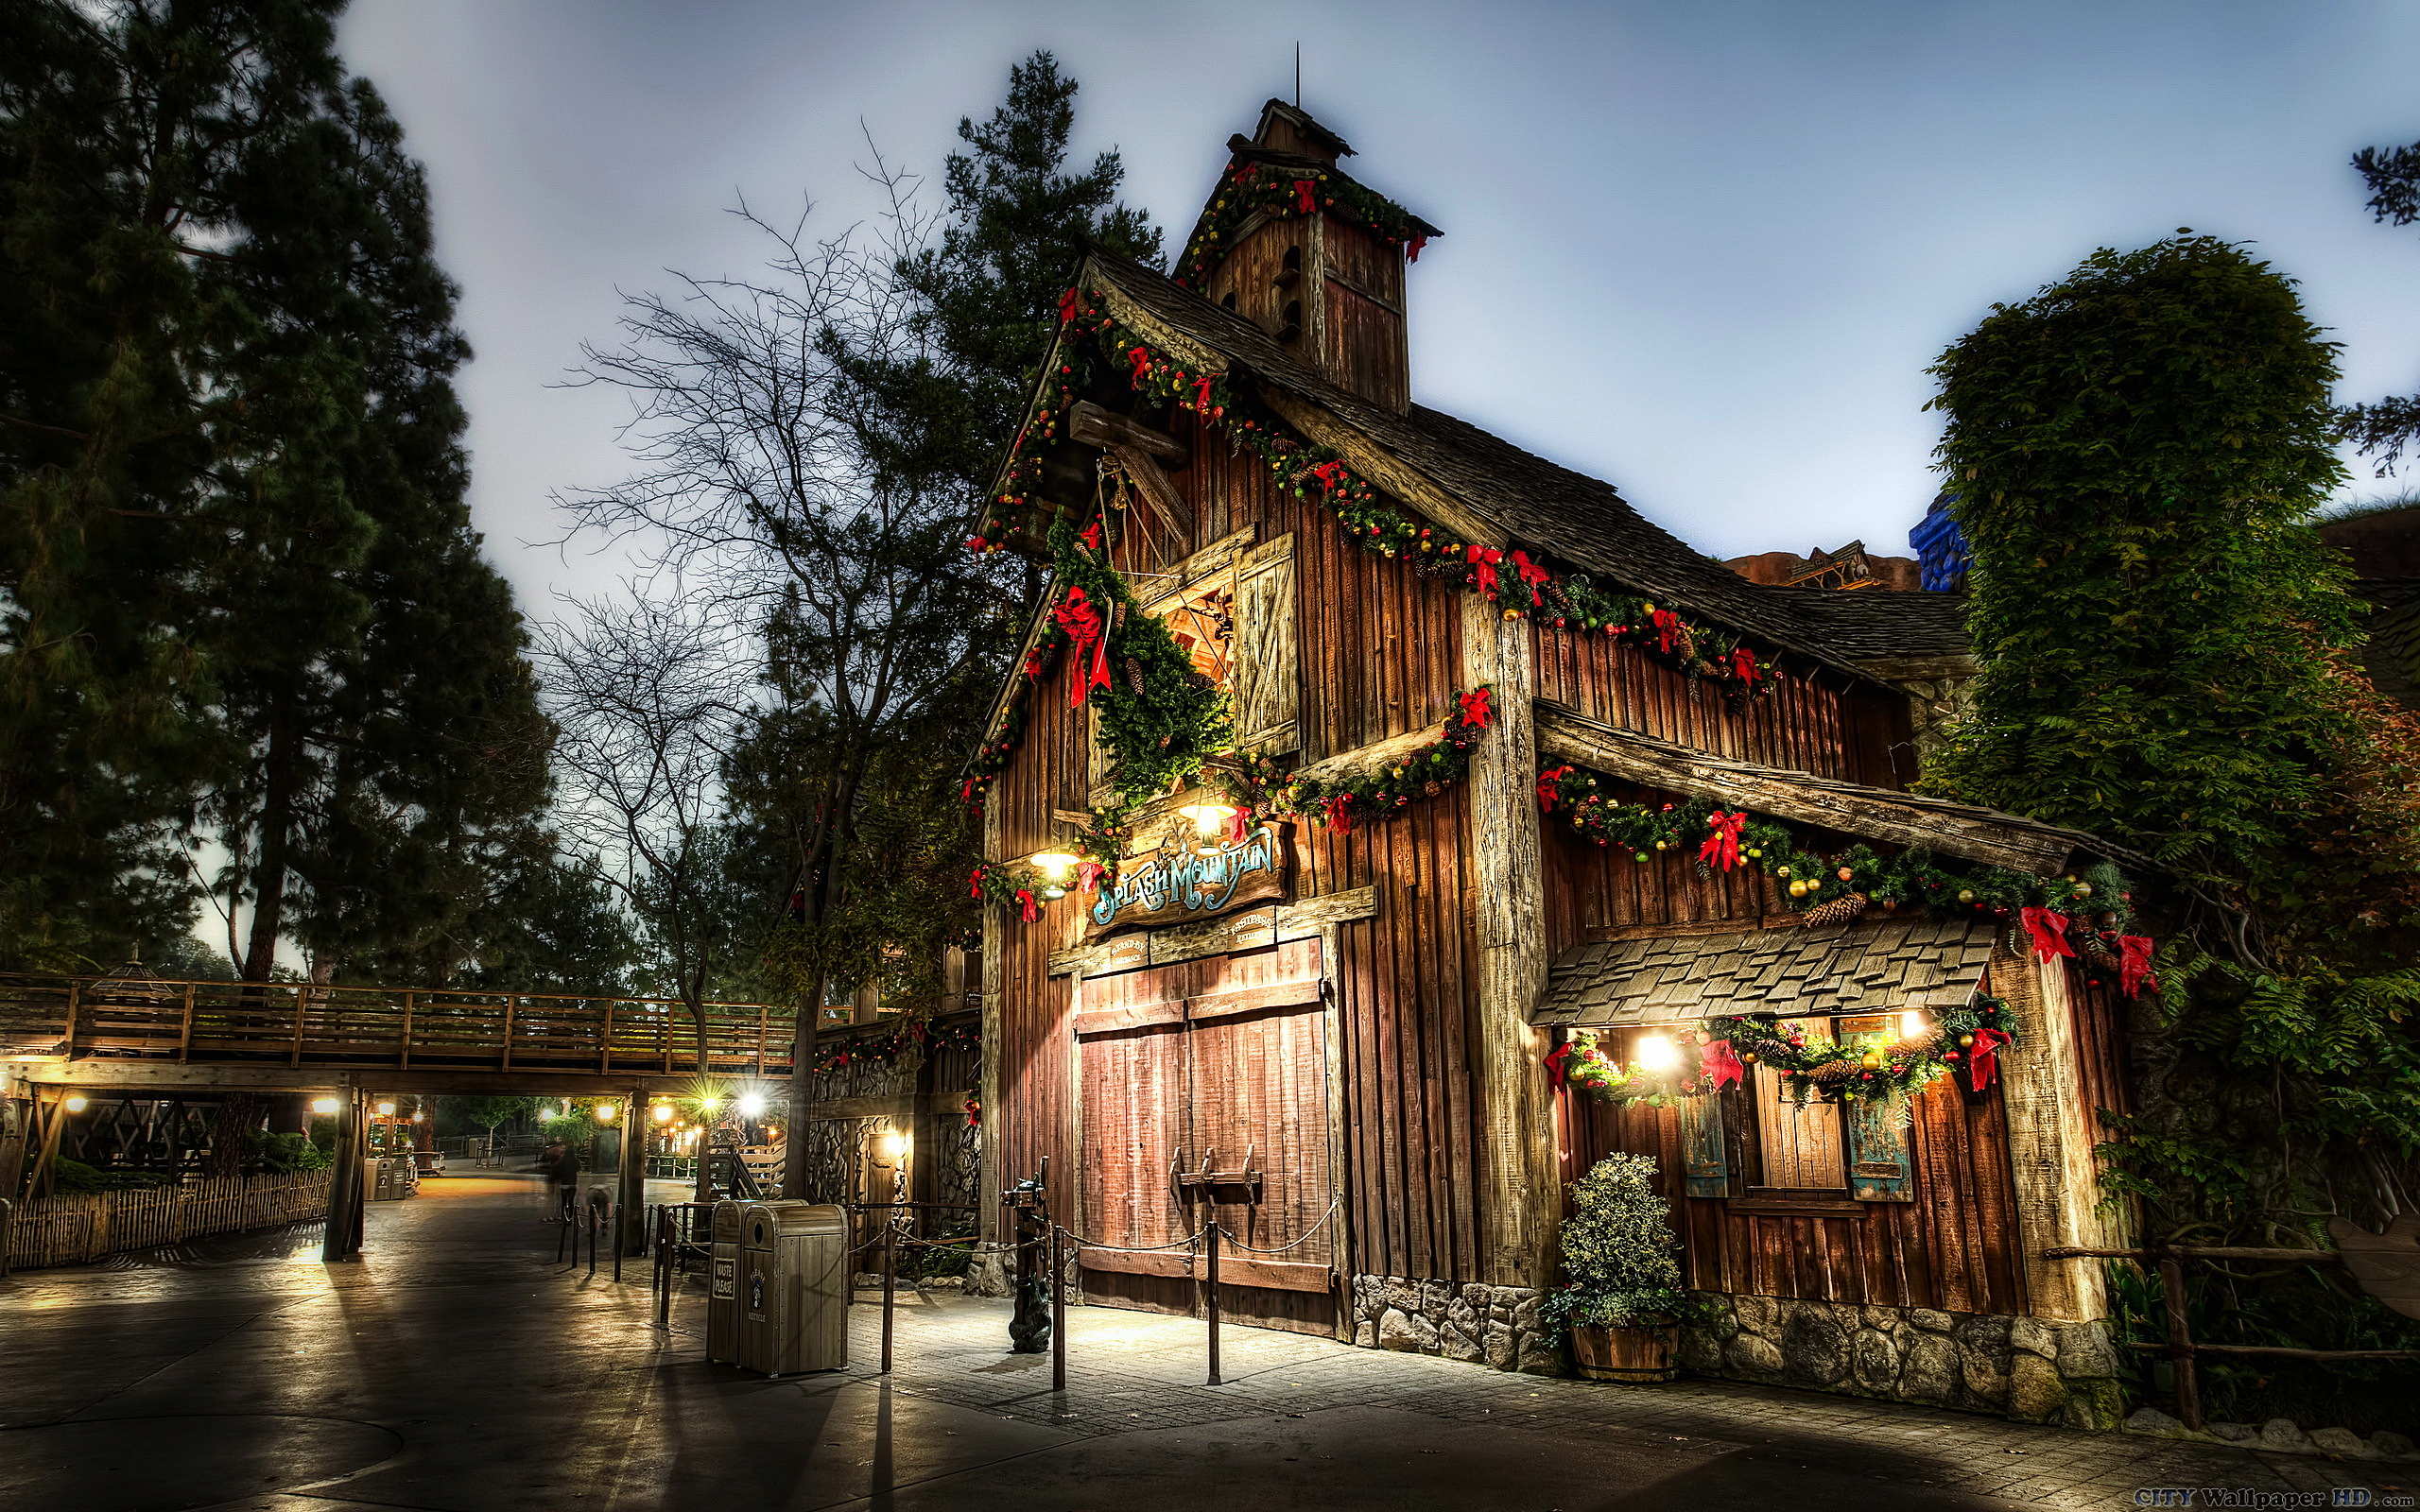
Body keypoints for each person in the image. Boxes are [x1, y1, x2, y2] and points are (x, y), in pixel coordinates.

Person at [543, 1140, 578, 1223]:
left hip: (558, 1179)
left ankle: (554, 1216)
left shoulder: (556, 1154)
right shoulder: (561, 1155)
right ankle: (559, 1216)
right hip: (560, 1179)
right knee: (558, 1199)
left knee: (555, 1198)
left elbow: (553, 1166)